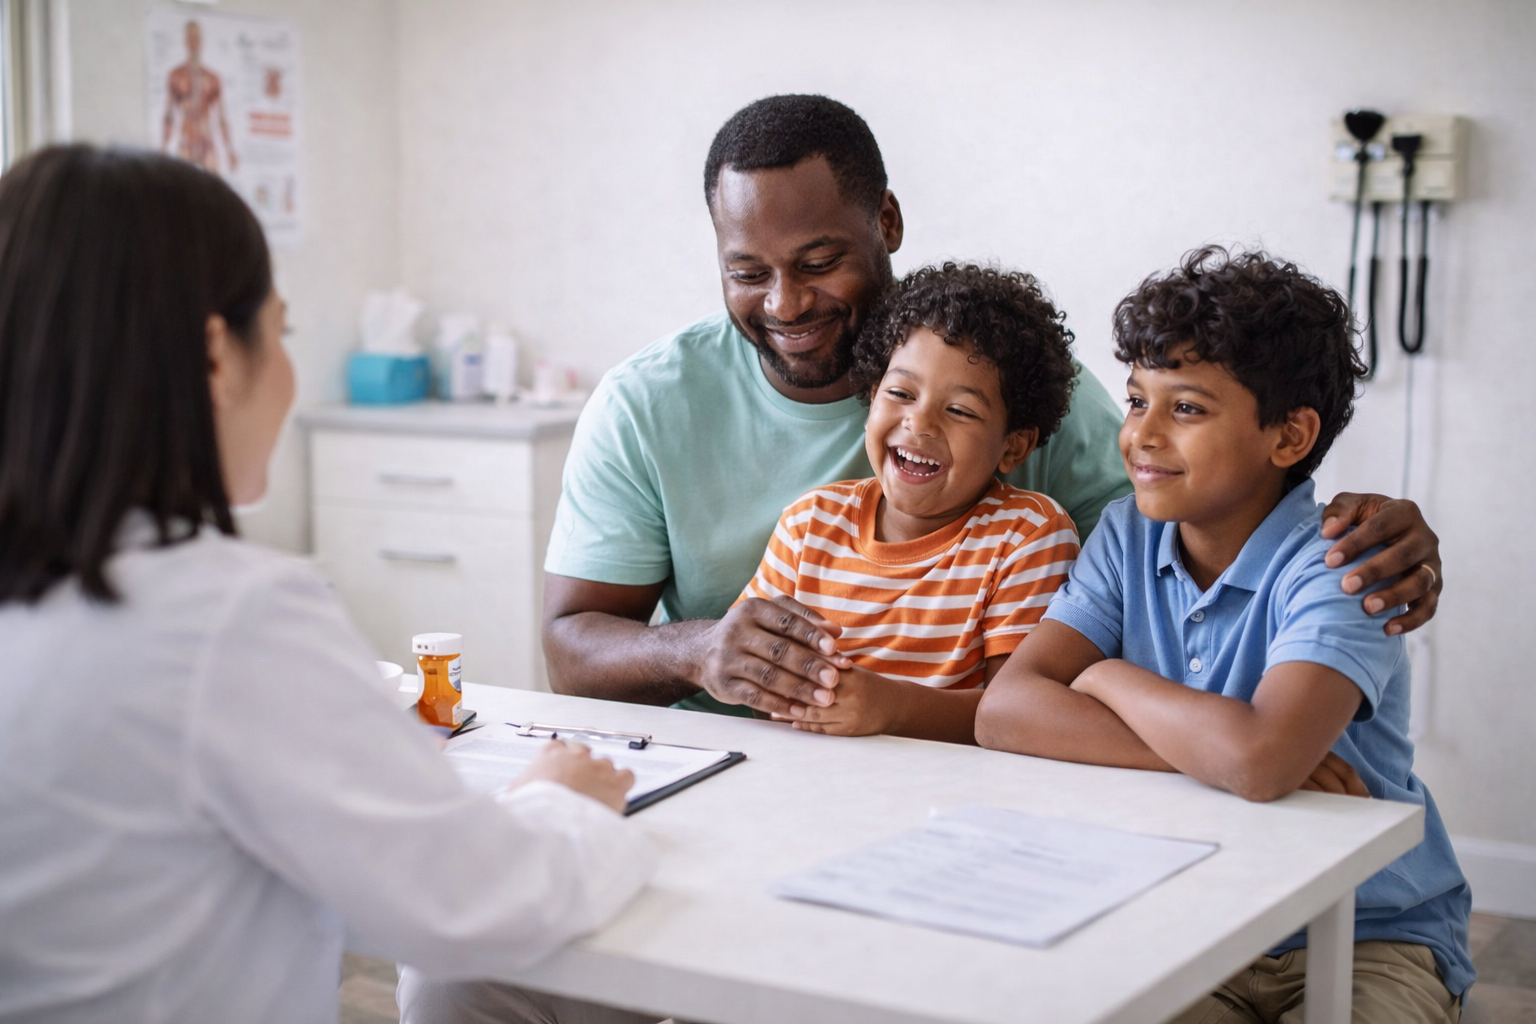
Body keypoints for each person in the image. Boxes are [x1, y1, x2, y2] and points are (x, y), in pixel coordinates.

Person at [542, 93, 1448, 729]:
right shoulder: (650, 406)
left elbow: (1188, 521)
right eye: (748, 271)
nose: (784, 303)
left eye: (819, 262)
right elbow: (568, 647)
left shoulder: (1020, 390)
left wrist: (1345, 529)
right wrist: (698, 652)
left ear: (886, 223)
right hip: (751, 765)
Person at [0, 145, 653, 1024]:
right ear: (215, 359)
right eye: (282, 330)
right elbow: (476, 905)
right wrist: (563, 802)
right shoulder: (224, 616)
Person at [974, 247, 1473, 1021]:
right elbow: (1005, 713)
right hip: (1199, 910)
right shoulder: (1124, 537)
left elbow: (1261, 758)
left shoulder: (1347, 563)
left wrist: (1103, 677)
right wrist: (1220, 759)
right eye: (1138, 400)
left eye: (1187, 408)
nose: (1141, 435)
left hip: (1372, 927)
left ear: (1289, 436)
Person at [741, 262, 1081, 742]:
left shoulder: (1027, 535)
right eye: (900, 393)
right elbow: (758, 676)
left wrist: (890, 708)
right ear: (872, 396)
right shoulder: (808, 524)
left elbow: (1015, 715)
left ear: (1013, 447)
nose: (919, 425)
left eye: (959, 410)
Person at [161, 20, 239, 174]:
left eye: (196, 37)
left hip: (206, 141)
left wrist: (230, 149)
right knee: (183, 189)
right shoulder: (176, 76)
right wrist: (163, 148)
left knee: (213, 190)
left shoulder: (212, 78)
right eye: (190, 37)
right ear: (185, 41)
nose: (193, 42)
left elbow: (221, 116)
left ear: (201, 41)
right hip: (186, 142)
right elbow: (169, 114)